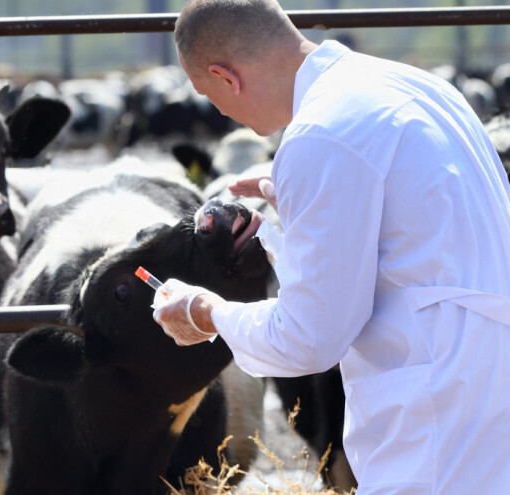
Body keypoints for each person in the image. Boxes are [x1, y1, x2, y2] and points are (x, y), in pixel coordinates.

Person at [152, 1, 510, 494]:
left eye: (209, 96)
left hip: (435, 410)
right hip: (489, 383)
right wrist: (290, 202)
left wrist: (207, 312)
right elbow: (415, 223)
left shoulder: (319, 135)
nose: (219, 111)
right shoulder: (416, 85)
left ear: (224, 76)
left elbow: (307, 338)